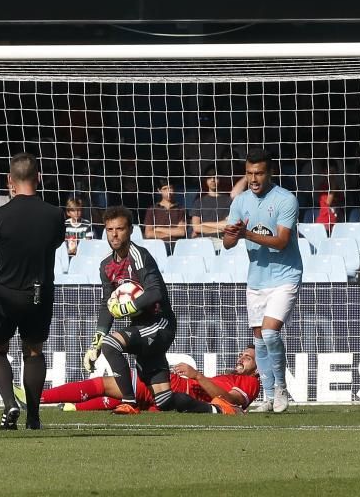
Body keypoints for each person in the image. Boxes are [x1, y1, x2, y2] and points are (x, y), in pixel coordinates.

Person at [80, 206, 234, 416]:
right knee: (164, 400)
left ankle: (129, 403)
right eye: (109, 230)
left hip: (159, 324)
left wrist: (128, 306)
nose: (114, 234)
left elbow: (155, 292)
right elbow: (107, 304)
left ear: (131, 230)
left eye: (120, 229)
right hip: (141, 328)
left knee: (111, 344)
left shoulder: (139, 256)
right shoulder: (106, 266)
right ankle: (217, 409)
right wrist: (95, 343)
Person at [0, 152, 66, 430]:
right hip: (40, 293)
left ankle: (10, 402)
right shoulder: (55, 215)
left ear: (10, 181)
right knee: (33, 351)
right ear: (40, 178)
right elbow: (54, 245)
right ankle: (33, 417)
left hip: (6, 293)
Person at [223, 148, 303, 413]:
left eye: (258, 173)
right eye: (249, 174)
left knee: (269, 332)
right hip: (256, 279)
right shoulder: (240, 202)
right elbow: (227, 243)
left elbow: (281, 242)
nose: (254, 179)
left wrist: (246, 234)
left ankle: (280, 387)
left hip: (285, 275)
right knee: (259, 339)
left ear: (270, 173)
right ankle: (268, 397)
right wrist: (233, 234)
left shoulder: (285, 200)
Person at [38, 346, 258, 414]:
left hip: (173, 388)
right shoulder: (230, 376)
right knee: (122, 397)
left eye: (249, 357)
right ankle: (73, 407)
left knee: (106, 384)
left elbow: (232, 401)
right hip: (173, 394)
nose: (242, 358)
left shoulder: (251, 383)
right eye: (242, 354)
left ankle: (38, 397)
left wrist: (197, 375)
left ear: (259, 367)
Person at [190, 165, 233, 250]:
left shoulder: (229, 201)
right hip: (201, 242)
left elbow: (229, 225)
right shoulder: (199, 202)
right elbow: (196, 227)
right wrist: (220, 228)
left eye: (215, 177)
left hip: (221, 242)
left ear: (220, 179)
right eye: (210, 177)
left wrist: (204, 225)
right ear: (206, 180)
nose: (213, 180)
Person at [143, 179, 187, 254]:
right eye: (165, 189)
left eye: (170, 188)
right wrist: (170, 234)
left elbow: (181, 232)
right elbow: (148, 233)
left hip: (175, 246)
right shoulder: (152, 210)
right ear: (159, 191)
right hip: (156, 246)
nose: (168, 191)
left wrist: (158, 229)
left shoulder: (180, 209)